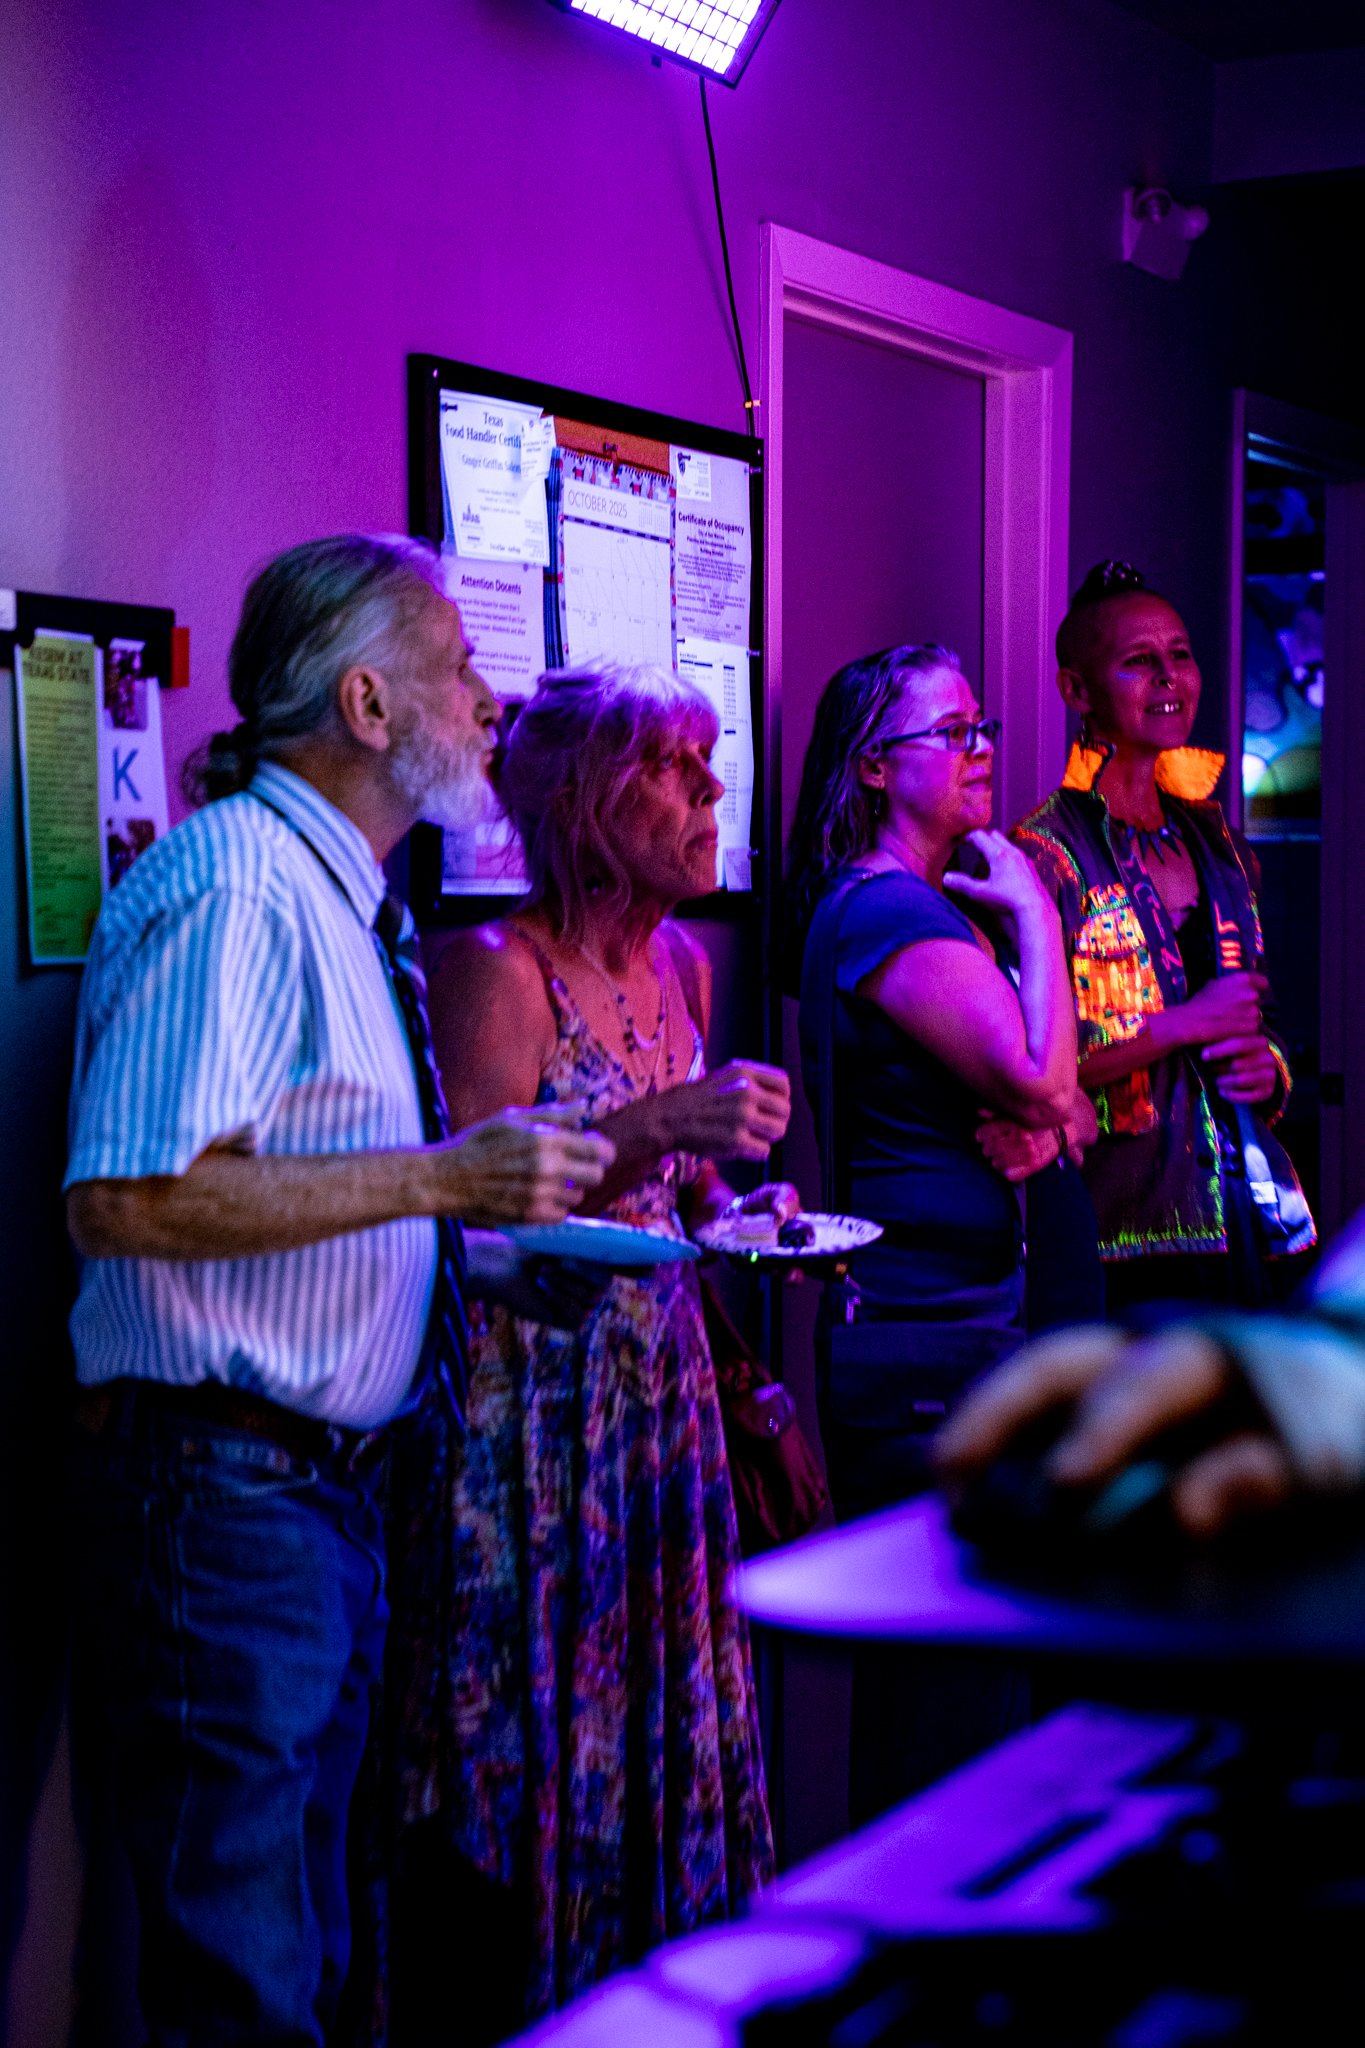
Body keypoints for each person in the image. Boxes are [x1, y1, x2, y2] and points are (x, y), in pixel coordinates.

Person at [63, 535, 616, 2047]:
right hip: (221, 1503)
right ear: (369, 705)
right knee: (242, 1986)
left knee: (298, 1963)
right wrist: (448, 1180)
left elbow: (305, 1183)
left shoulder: (344, 897)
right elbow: (130, 1199)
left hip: (310, 1502)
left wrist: (484, 1265)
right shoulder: (239, 881)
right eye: (457, 667)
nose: (491, 699)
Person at [384, 662, 793, 2038]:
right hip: (529, 1421)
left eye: (706, 762)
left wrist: (750, 1209)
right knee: (532, 1755)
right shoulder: (491, 973)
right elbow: (469, 1210)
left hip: (657, 1413)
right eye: (677, 767)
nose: (710, 792)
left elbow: (679, 1199)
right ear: (588, 800)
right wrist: (672, 1126)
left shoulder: (683, 961)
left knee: (653, 1740)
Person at [784, 642, 1092, 1822]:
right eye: (951, 732)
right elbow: (1033, 1076)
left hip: (962, 1331)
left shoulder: (912, 903)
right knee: (944, 1718)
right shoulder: (887, 910)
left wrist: (1047, 1111)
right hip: (927, 1345)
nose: (980, 751)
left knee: (971, 1698)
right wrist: (1034, 911)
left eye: (981, 729)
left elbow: (1054, 1105)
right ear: (875, 766)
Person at [1012, 560, 1313, 1317]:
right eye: (1137, 662)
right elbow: (1023, 1070)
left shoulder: (1222, 847)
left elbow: (1259, 1019)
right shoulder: (1044, 855)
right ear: (1076, 691)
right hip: (1116, 1232)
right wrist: (1185, 1026)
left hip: (1247, 1220)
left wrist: (1265, 1067)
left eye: (1178, 655)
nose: (1167, 676)